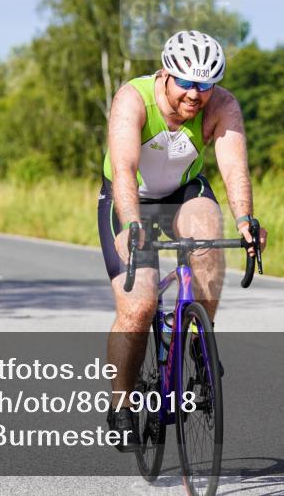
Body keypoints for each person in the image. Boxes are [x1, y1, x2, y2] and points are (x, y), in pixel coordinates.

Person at [98, 30, 267, 450]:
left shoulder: (221, 106)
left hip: (183, 194)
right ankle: (120, 403)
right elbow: (122, 169)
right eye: (187, 83)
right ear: (165, 73)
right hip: (129, 197)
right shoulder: (132, 99)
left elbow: (233, 167)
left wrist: (246, 220)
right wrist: (132, 224)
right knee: (138, 306)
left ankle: (197, 345)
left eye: (206, 84)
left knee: (209, 233)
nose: (196, 94)